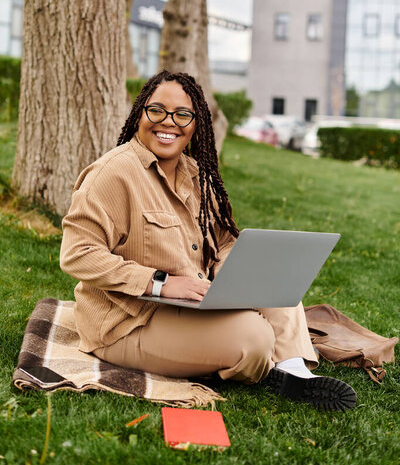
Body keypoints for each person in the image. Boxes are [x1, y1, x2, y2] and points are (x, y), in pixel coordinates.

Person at [60, 70, 356, 411]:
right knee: (255, 337)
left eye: (182, 114)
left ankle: (292, 371)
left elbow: (222, 241)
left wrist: (237, 274)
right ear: (140, 113)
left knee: (275, 282)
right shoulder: (112, 174)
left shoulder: (197, 175)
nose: (168, 122)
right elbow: (78, 254)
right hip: (128, 321)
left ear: (196, 122)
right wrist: (161, 283)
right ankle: (262, 360)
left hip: (191, 305)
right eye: (156, 110)